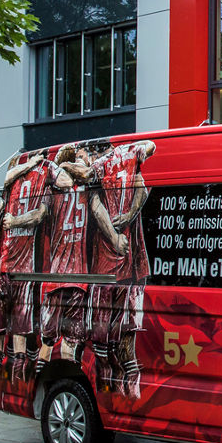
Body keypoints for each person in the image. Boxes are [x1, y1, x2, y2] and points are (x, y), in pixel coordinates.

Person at [34, 144, 125, 373]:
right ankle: (66, 375)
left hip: (55, 277)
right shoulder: (86, 188)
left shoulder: (51, 189)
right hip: (77, 277)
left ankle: (43, 380)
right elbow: (98, 213)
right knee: (69, 341)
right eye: (79, 157)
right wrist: (115, 239)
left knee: (48, 340)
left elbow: (40, 215)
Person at [87, 139, 156, 398]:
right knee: (118, 330)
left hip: (118, 264)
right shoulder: (125, 163)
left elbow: (98, 206)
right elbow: (142, 187)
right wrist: (125, 222)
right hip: (116, 266)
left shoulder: (104, 166)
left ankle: (122, 389)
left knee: (115, 330)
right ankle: (121, 390)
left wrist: (125, 222)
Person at [0, 150, 58, 382]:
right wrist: (31, 163)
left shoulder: (39, 184)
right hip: (13, 269)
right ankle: (11, 378)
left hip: (21, 268)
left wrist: (14, 221)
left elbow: (40, 215)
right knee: (9, 328)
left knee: (17, 331)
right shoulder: (21, 181)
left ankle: (16, 380)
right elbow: (8, 176)